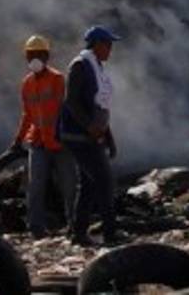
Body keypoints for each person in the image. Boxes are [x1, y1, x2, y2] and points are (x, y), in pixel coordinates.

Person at [58, 26, 122, 246]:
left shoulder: (97, 68)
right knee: (104, 181)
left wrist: (109, 138)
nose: (110, 49)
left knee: (89, 184)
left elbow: (100, 107)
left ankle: (78, 232)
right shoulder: (80, 66)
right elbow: (72, 102)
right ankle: (110, 234)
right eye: (108, 44)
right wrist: (89, 127)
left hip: (92, 135)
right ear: (96, 44)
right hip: (79, 136)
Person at [11, 35, 76, 238]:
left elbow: (61, 110)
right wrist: (17, 139)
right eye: (31, 55)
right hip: (38, 143)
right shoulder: (26, 83)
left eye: (38, 54)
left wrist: (60, 139)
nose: (34, 58)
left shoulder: (57, 79)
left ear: (46, 56)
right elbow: (27, 115)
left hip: (60, 143)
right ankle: (36, 229)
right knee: (35, 186)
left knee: (69, 186)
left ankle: (74, 226)